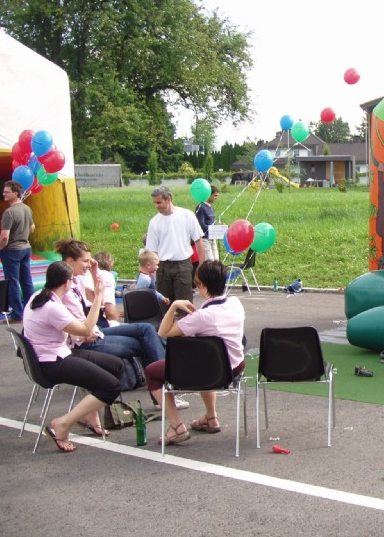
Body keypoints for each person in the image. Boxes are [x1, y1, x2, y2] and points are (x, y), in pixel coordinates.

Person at [22, 261, 123, 452]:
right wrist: (99, 295)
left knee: (115, 365)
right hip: (51, 362)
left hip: (53, 354)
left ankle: (89, 415)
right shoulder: (52, 307)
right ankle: (63, 423)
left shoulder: (38, 296)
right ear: (67, 283)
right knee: (111, 387)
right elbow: (86, 328)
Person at [145, 260, 245, 446]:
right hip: (235, 365)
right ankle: (210, 417)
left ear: (203, 286)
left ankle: (176, 425)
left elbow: (163, 332)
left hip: (212, 370)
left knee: (152, 372)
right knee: (205, 360)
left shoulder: (202, 316)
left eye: (197, 283)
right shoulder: (235, 303)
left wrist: (174, 306)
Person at [55, 239, 166, 369]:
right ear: (70, 261)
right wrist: (98, 296)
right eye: (85, 261)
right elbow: (87, 327)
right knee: (145, 342)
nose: (88, 265)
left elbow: (99, 299)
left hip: (94, 331)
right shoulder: (65, 289)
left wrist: (94, 272)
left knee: (146, 329)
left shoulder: (77, 280)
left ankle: (160, 377)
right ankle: (163, 376)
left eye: (90, 261)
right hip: (86, 340)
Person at [145, 186, 205, 302]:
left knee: (185, 304)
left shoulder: (187, 215)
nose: (156, 206)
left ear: (168, 199)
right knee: (165, 306)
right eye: (154, 203)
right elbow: (152, 251)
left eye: (159, 202)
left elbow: (198, 241)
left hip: (183, 265)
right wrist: (150, 270)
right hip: (162, 266)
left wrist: (201, 265)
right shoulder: (154, 222)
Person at [0, 180, 35, 321]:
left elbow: (4, 236)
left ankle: (17, 314)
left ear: (15, 193)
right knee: (27, 281)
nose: (4, 194)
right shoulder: (27, 208)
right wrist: (23, 235)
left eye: (7, 192)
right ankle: (31, 310)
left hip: (12, 250)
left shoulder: (9, 212)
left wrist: (1, 247)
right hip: (26, 248)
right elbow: (32, 228)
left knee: (12, 282)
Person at [92, 251, 120, 325]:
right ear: (110, 262)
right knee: (145, 329)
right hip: (100, 323)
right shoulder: (107, 276)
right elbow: (110, 310)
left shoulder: (89, 275)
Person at [195, 185, 220, 262]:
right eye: (215, 195)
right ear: (209, 194)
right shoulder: (201, 207)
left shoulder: (211, 208)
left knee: (216, 261)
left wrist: (219, 227)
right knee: (210, 261)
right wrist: (214, 229)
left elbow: (211, 223)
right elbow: (201, 224)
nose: (216, 198)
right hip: (205, 238)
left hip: (212, 238)